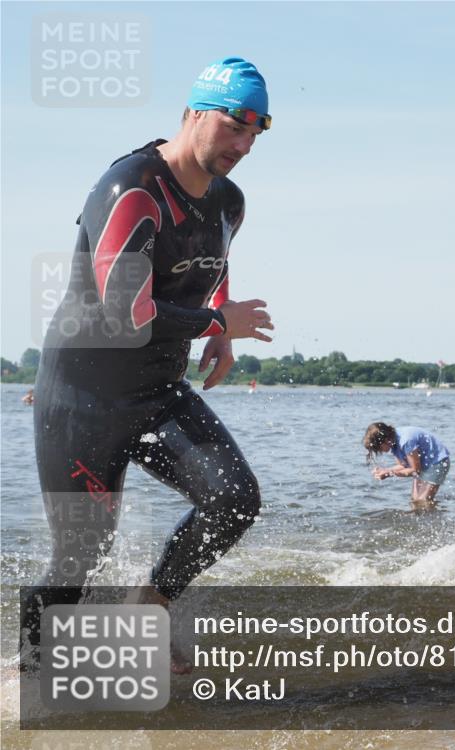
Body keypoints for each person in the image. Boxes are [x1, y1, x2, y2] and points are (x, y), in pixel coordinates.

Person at [20, 57, 274, 671]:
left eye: (256, 131)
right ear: (191, 113)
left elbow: (211, 259)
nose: (243, 144)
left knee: (235, 499)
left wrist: (222, 326)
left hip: (158, 390)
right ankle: (26, 671)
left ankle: (148, 608)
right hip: (82, 397)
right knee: (81, 553)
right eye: (232, 126)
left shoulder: (228, 202)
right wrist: (217, 323)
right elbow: (123, 315)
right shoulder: (133, 188)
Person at [363, 422, 451, 506]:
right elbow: (403, 465)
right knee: (415, 500)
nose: (379, 451)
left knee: (423, 501)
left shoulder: (405, 441)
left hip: (438, 461)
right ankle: (429, 515)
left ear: (386, 440)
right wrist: (386, 470)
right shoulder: (393, 442)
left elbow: (415, 470)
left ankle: (434, 519)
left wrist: (389, 473)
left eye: (377, 447)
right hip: (423, 463)